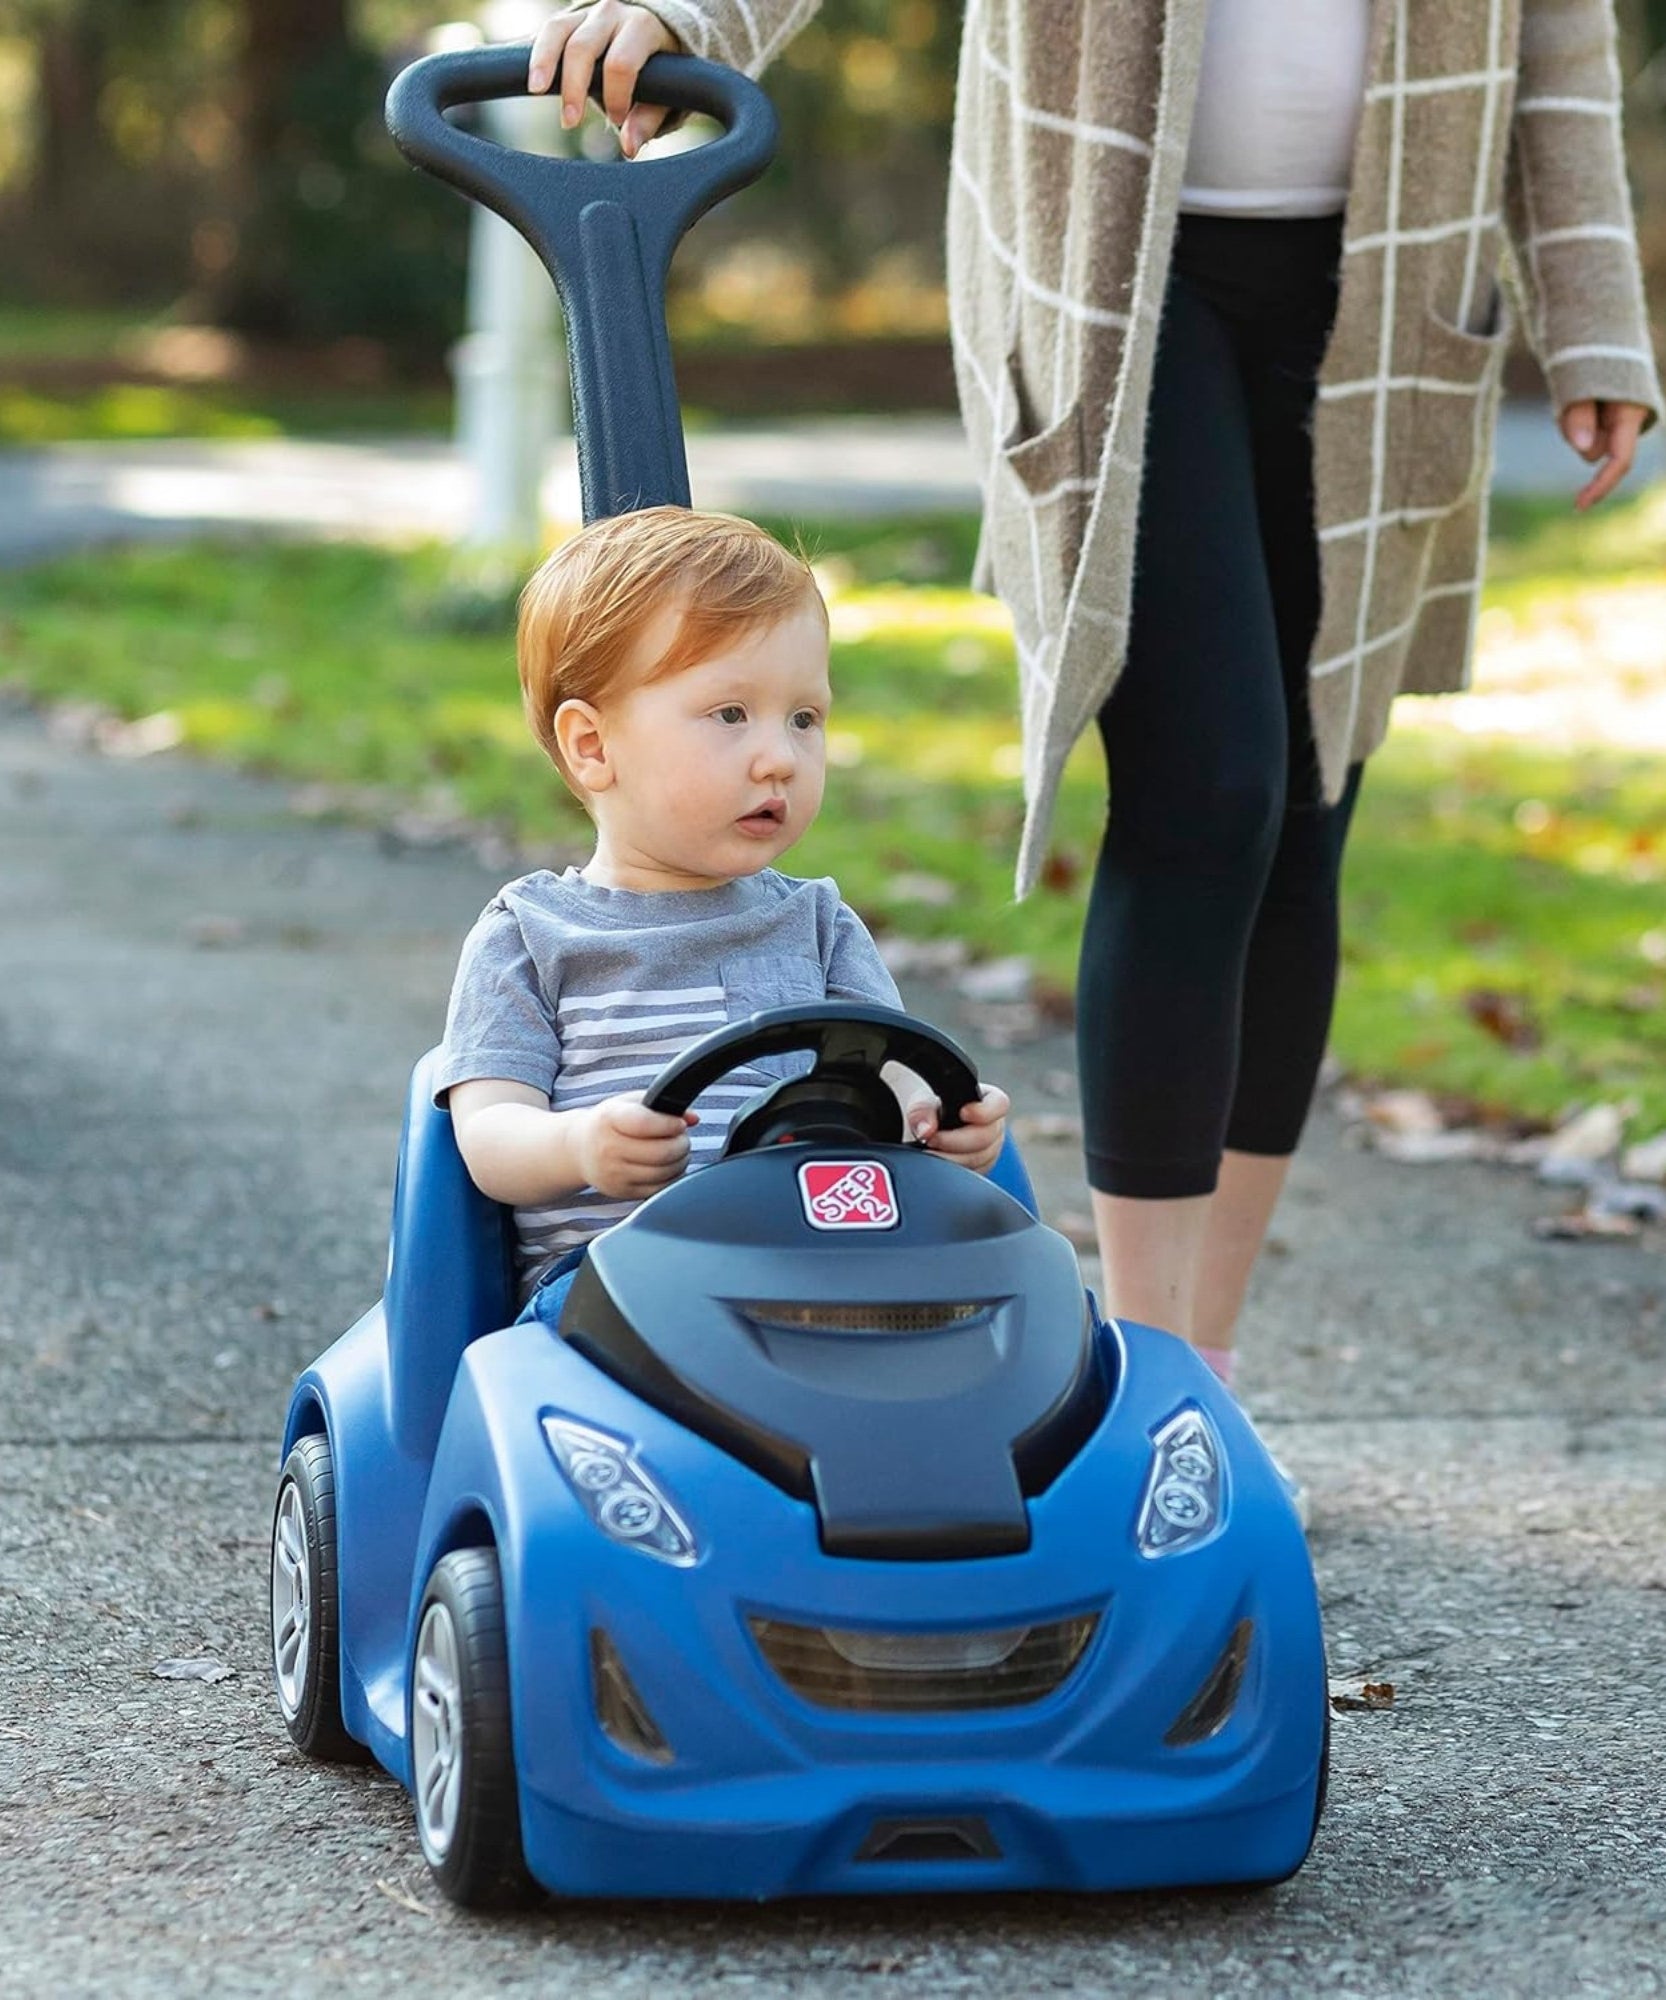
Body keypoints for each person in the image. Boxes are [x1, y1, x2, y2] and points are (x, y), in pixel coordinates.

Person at [523, 2, 1662, 1400]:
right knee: (1211, 790)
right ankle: (1150, 1360)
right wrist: (684, 15)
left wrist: (1595, 318)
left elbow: (1552, 44)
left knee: (1305, 807)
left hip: (1392, 287)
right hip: (1109, 273)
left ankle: (1208, 1366)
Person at [435, 506, 1010, 1326]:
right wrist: (582, 1145)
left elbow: (900, 1068)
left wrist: (945, 1119)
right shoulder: (531, 935)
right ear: (592, 747)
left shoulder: (817, 923)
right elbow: (489, 1138)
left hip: (826, 1266)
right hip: (617, 1293)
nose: (781, 756)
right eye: (731, 715)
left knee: (1005, 1317)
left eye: (804, 718)